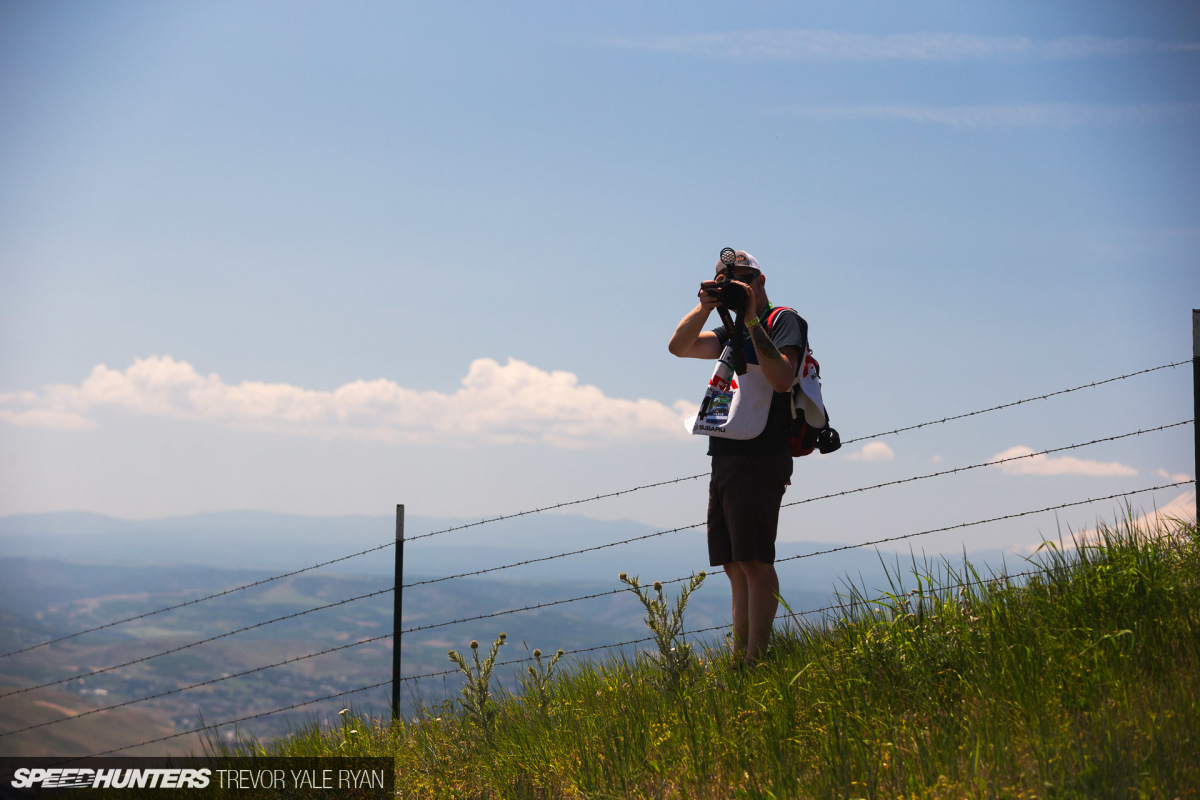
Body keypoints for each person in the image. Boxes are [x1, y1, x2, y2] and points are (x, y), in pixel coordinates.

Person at [668, 250, 807, 665]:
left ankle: (755, 660)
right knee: (733, 563)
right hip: (727, 450)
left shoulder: (782, 320)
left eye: (740, 279)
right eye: (724, 280)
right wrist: (705, 306)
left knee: (755, 560)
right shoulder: (729, 332)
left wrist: (749, 318)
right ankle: (740, 659)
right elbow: (679, 347)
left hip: (761, 452)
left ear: (760, 279)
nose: (734, 285)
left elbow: (782, 379)